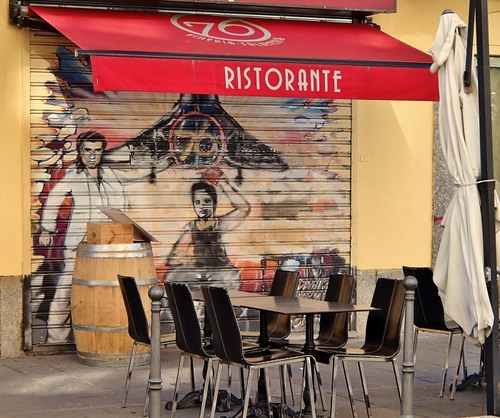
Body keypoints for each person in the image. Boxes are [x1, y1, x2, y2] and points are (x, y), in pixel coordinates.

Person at [38, 131, 134, 342]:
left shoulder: (110, 175)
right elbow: (53, 199)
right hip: (79, 244)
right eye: (88, 150)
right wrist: (46, 229)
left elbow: (124, 202)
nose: (92, 155)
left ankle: (103, 338)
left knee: (106, 290)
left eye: (97, 150)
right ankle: (56, 338)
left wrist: (124, 229)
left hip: (107, 243)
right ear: (80, 152)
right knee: (65, 291)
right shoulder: (74, 175)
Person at [165, 168, 251, 289]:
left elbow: (244, 209)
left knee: (230, 279)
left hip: (220, 270)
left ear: (214, 204)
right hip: (199, 271)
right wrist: (181, 258)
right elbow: (175, 256)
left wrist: (222, 183)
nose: (202, 206)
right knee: (171, 277)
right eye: (197, 202)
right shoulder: (192, 227)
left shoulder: (220, 223)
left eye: (206, 201)